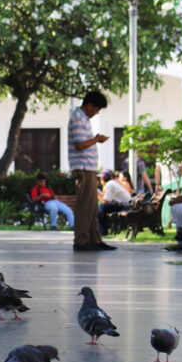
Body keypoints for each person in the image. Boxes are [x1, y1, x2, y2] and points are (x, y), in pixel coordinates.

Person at [67, 90, 116, 251]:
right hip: (82, 167)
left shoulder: (83, 118)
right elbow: (79, 145)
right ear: (89, 105)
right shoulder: (78, 118)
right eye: (96, 109)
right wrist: (96, 139)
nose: (96, 113)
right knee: (84, 207)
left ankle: (95, 239)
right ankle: (81, 240)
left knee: (92, 207)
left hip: (88, 167)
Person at [98, 170, 132, 235]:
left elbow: (105, 201)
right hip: (125, 205)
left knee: (101, 207)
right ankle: (103, 230)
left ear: (102, 179)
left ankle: (102, 231)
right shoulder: (113, 183)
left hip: (123, 205)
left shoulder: (109, 184)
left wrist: (97, 195)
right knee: (101, 207)